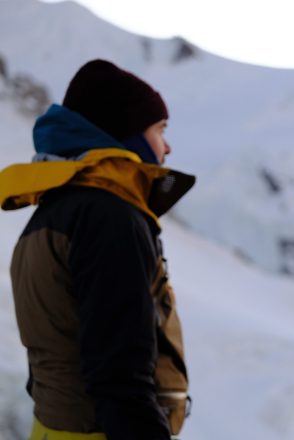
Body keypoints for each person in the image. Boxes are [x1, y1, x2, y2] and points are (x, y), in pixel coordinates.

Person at [0, 59, 194, 440]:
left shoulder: (52, 211)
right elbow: (120, 375)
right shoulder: (110, 217)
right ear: (128, 135)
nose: (167, 146)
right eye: (160, 130)